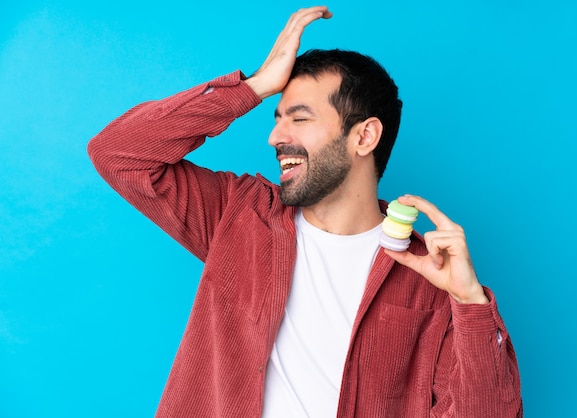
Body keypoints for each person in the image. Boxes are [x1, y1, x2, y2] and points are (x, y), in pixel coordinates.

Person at [88, 6, 522, 417]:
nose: (275, 136)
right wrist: (254, 86)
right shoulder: (237, 216)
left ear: (364, 136)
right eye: (276, 118)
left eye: (299, 118)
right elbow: (118, 153)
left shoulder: (431, 277)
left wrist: (469, 303)